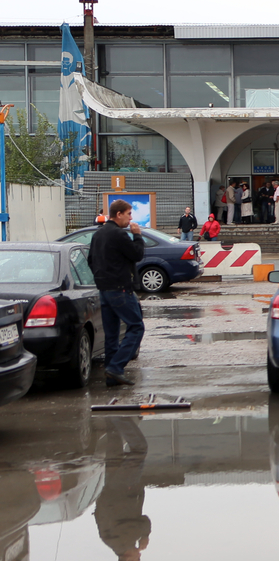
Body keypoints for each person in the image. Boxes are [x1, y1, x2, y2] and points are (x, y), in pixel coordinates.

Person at [87, 200, 145, 387]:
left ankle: (112, 377)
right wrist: (137, 236)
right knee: (136, 327)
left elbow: (90, 260)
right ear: (118, 214)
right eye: (129, 214)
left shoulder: (98, 234)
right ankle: (116, 367)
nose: (131, 218)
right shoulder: (119, 234)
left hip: (104, 289)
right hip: (120, 288)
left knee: (111, 334)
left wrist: (101, 277)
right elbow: (137, 254)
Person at [95, 416, 151, 561]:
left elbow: (143, 522)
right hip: (111, 488)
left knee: (140, 449)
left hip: (123, 488)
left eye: (136, 559)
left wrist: (144, 536)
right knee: (114, 441)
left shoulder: (123, 541)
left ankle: (117, 413)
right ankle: (108, 410)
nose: (139, 555)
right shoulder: (111, 541)